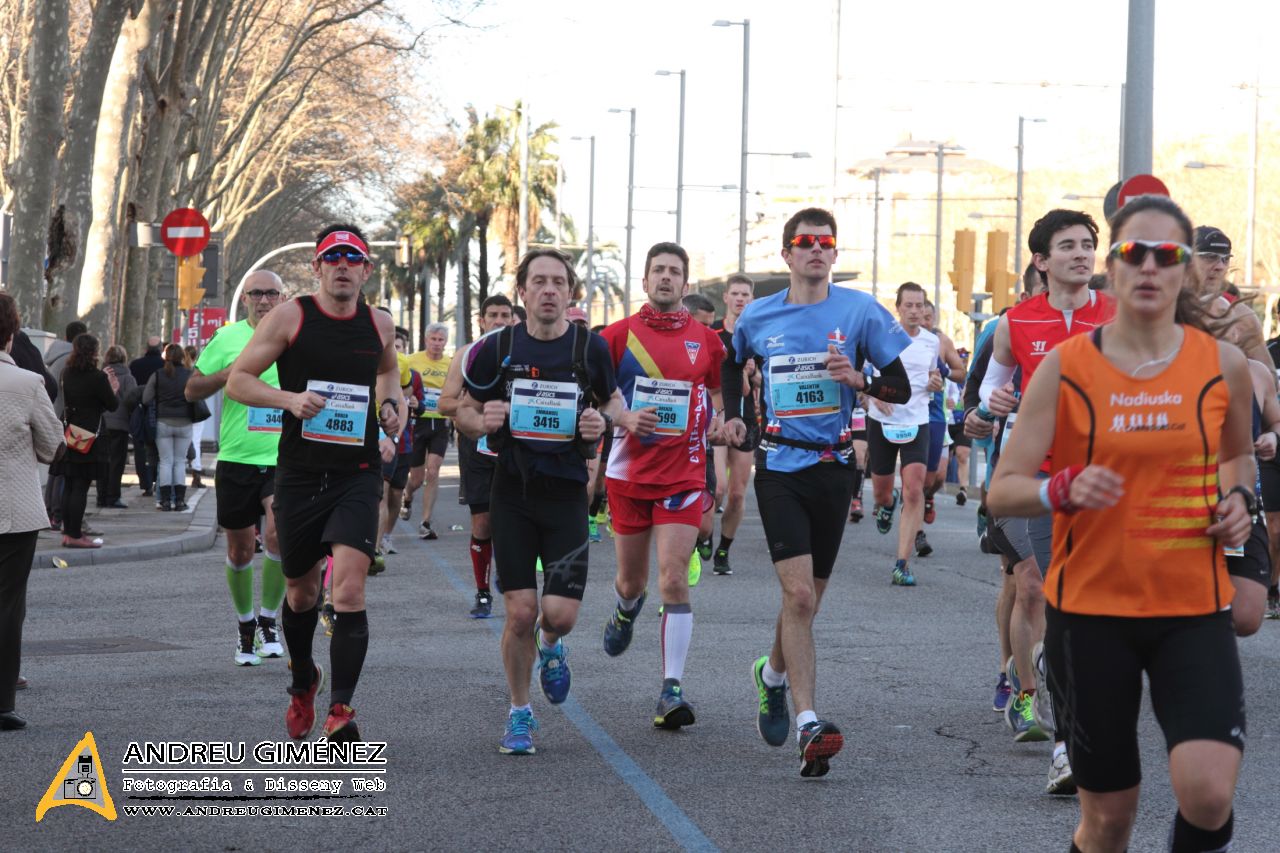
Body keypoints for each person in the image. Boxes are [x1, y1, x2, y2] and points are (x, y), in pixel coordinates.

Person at [988, 195, 1253, 853]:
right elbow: (1002, 490)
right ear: (1113, 264)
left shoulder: (1223, 365)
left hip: (1192, 604)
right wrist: (1063, 485)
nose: (1151, 267)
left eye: (1169, 255)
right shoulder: (1067, 366)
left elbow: (1237, 455)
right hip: (1091, 611)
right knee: (1109, 821)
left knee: (1210, 792)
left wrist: (1239, 498)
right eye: (1136, 252)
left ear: (1187, 269)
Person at [722, 207, 911, 777]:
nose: (816, 250)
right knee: (799, 597)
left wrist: (859, 380)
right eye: (804, 243)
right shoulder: (757, 315)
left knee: (808, 601)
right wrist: (735, 418)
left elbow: (897, 386)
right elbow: (733, 367)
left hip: (834, 469)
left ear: (834, 253)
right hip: (779, 464)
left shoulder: (859, 310)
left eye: (825, 243)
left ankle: (772, 675)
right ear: (786, 254)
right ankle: (809, 723)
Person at [227, 224, 405, 745]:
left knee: (348, 587)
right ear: (318, 267)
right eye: (333, 258)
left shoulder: (380, 324)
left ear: (367, 270)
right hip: (301, 474)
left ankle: (341, 710)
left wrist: (394, 407)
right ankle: (303, 682)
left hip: (358, 471)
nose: (343, 266)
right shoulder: (291, 316)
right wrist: (289, 400)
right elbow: (240, 380)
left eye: (353, 258)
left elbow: (388, 375)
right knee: (303, 595)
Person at [453, 248, 621, 756]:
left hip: (568, 491)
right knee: (521, 612)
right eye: (539, 282)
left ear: (571, 293)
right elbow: (462, 407)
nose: (549, 290)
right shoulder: (495, 347)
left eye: (558, 282)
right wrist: (479, 421)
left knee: (559, 615)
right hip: (514, 493)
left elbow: (611, 401)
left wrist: (604, 421)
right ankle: (520, 713)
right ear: (522, 291)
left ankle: (552, 647)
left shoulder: (589, 348)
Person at [982, 209, 1113, 793]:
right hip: (1036, 481)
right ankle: (1063, 745)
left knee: (1094, 615)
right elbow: (989, 391)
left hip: (1107, 483)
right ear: (1042, 260)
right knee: (1045, 592)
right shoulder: (1015, 322)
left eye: (1089, 245)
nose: (1082, 254)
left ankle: (1048, 669)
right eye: (1068, 246)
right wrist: (996, 404)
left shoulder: (1117, 316)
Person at [599, 242, 725, 729]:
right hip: (629, 474)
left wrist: (716, 417)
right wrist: (624, 417)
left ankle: (671, 688)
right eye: (659, 271)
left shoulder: (707, 339)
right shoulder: (615, 337)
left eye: (675, 272)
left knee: (673, 577)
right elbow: (597, 395)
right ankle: (627, 608)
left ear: (686, 284)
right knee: (633, 581)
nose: (667, 278)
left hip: (685, 472)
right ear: (645, 282)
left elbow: (715, 390)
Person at [187, 270, 288, 667]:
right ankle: (246, 627)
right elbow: (192, 389)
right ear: (245, 298)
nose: (264, 300)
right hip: (236, 458)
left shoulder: (294, 338)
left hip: (282, 458)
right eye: (257, 293)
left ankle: (269, 621)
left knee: (279, 533)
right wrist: (229, 375)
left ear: (283, 297)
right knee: (240, 546)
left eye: (272, 294)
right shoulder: (227, 338)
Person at [0, 293, 64, 730]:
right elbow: (51, 444)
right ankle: (2, 701)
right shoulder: (26, 383)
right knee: (7, 605)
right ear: (11, 332)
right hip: (13, 510)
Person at [438, 294, 515, 618]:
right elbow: (444, 403)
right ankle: (483, 593)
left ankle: (510, 578)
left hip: (513, 445)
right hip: (476, 444)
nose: (499, 321)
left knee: (512, 522)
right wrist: (477, 407)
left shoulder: (524, 353)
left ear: (514, 319)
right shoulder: (467, 354)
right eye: (493, 315)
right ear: (481, 321)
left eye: (505, 315)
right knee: (482, 522)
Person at [866, 282, 940, 585]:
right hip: (882, 421)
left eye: (919, 305)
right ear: (897, 308)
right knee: (883, 492)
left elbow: (933, 377)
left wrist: (937, 384)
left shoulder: (931, 342)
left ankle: (902, 564)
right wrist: (875, 395)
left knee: (915, 489)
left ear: (925, 309)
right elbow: (864, 376)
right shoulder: (882, 339)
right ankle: (885, 504)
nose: (914, 311)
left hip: (917, 420)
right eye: (908, 305)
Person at [710, 273, 758, 574]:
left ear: (751, 300)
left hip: (747, 420)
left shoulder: (756, 337)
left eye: (745, 295)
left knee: (738, 493)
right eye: (735, 294)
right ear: (726, 298)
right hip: (718, 418)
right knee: (718, 488)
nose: (740, 299)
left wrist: (753, 374)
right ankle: (702, 534)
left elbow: (759, 384)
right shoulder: (712, 336)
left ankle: (723, 549)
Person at [59, 334, 119, 547]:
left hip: (70, 433)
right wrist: (112, 388)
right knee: (81, 487)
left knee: (69, 485)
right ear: (94, 352)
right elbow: (112, 405)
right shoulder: (97, 377)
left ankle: (67, 532)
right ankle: (76, 535)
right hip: (89, 436)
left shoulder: (67, 373)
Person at [917, 299, 967, 555]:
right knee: (914, 480)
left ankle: (928, 496)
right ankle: (917, 535)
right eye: (919, 315)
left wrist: (944, 371)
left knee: (937, 476)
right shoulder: (902, 339)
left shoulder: (941, 342)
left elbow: (961, 373)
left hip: (937, 416)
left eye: (928, 317)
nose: (923, 321)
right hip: (910, 415)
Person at [401, 323, 451, 540]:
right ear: (426, 340)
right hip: (418, 422)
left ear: (445, 342)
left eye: (441, 340)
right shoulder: (412, 360)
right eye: (433, 339)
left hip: (440, 423)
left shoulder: (450, 364)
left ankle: (425, 522)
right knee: (417, 478)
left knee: (433, 470)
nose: (437, 344)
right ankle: (407, 495)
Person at [143, 344, 193, 511]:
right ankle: (179, 500)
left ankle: (164, 500)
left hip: (163, 421)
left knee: (165, 461)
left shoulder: (158, 375)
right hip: (184, 422)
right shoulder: (188, 375)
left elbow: (146, 398)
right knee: (179, 462)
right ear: (182, 357)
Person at [98, 345, 139, 509]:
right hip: (120, 424)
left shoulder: (101, 375)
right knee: (117, 463)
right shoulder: (128, 378)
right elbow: (133, 398)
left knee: (102, 461)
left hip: (102, 423)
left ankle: (101, 496)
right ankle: (113, 496)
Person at [129, 336, 164, 496]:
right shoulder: (165, 367)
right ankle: (157, 480)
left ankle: (145, 483)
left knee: (140, 450)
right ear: (161, 349)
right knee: (158, 450)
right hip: (160, 413)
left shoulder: (135, 365)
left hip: (139, 412)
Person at [184, 344, 206, 490]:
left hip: (181, 412)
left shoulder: (177, 371)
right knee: (196, 441)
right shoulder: (197, 371)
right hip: (196, 410)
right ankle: (196, 474)